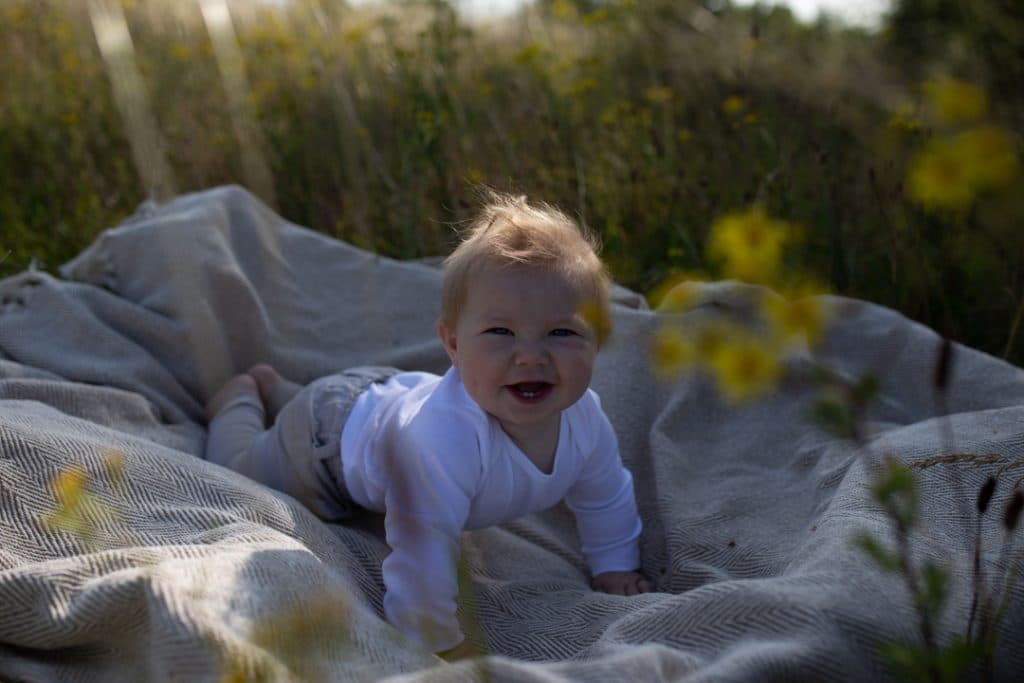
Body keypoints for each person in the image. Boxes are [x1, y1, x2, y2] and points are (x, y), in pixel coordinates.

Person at [204, 191, 653, 659]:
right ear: (453, 344)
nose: (531, 356)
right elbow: (422, 553)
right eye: (500, 332)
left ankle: (279, 389)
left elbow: (606, 496)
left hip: (382, 398)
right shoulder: (444, 441)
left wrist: (615, 567)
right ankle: (238, 400)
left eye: (561, 332)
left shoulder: (587, 420)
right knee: (236, 468)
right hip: (329, 447)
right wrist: (436, 645)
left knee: (318, 403)